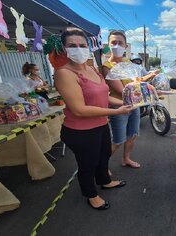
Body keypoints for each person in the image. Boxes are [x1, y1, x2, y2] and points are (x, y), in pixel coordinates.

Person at [54, 28, 132, 210]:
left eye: (82, 45)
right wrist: (116, 112)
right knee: (88, 164)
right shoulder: (64, 73)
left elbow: (104, 95)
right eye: (72, 45)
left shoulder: (92, 69)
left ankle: (105, 181)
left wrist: (125, 102)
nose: (78, 49)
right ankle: (91, 195)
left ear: (88, 47)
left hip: (101, 125)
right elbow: (79, 110)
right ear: (64, 49)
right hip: (80, 131)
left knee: (103, 157)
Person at [101, 30, 141, 169]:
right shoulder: (107, 66)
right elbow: (121, 90)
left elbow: (137, 81)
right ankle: (102, 168)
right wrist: (145, 92)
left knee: (132, 135)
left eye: (120, 43)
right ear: (109, 44)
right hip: (118, 107)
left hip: (134, 105)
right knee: (118, 140)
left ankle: (126, 159)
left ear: (126, 46)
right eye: (114, 42)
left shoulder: (127, 62)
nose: (117, 45)